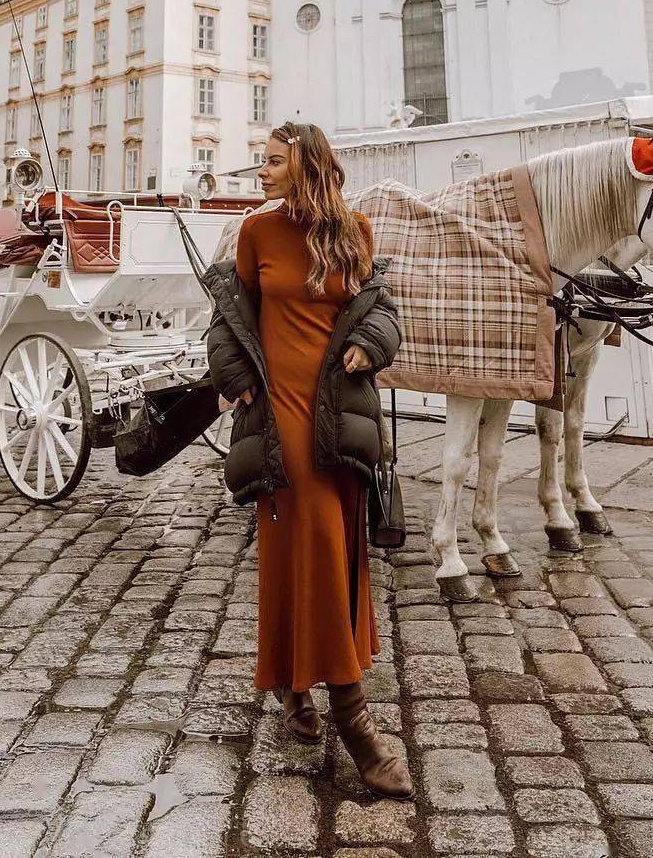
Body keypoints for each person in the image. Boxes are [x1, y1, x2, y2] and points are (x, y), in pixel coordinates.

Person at [205, 121, 411, 800]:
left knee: (328, 553)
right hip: (280, 415)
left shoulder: (353, 230)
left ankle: (296, 688)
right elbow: (228, 317)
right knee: (315, 546)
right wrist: (233, 379)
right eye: (260, 161)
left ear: (308, 167)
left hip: (338, 411)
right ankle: (358, 730)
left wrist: (371, 345)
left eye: (271, 162)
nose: (259, 172)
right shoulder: (256, 233)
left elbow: (381, 310)